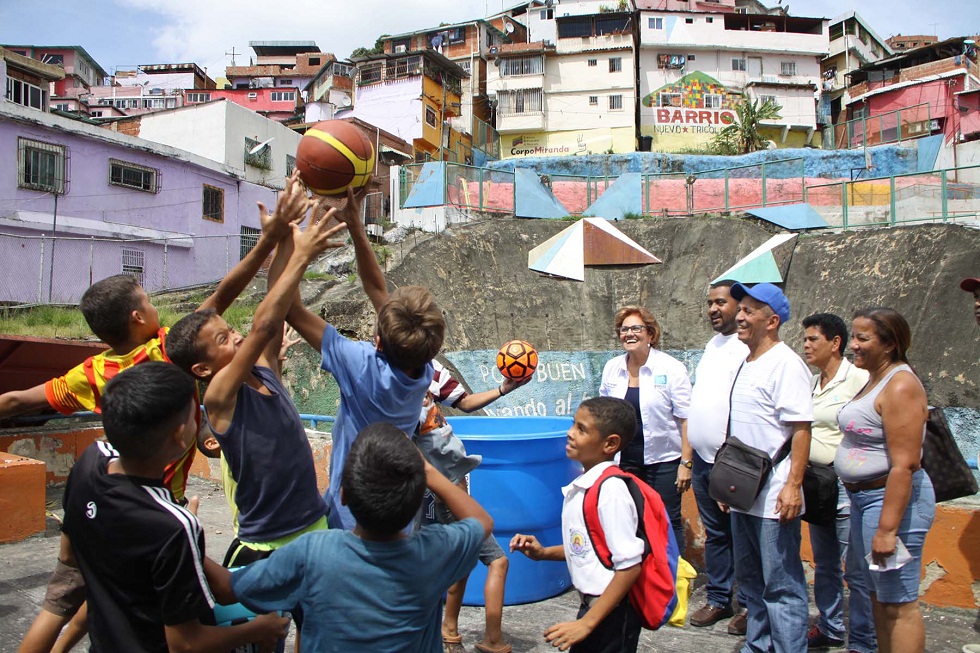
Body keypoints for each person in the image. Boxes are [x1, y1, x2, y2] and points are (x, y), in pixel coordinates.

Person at [15, 171, 312, 653]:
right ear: (184, 433)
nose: (157, 306)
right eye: (150, 301)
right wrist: (277, 243)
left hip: (107, 514)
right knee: (134, 605)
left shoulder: (90, 380)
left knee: (73, 599)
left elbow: (20, 401)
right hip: (155, 510)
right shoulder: (163, 356)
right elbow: (228, 308)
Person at [166, 200, 346, 570]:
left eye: (231, 330)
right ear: (201, 369)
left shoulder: (266, 371)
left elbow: (273, 314)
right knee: (268, 628)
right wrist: (303, 255)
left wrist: (284, 237)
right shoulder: (219, 396)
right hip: (265, 544)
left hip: (314, 523)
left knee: (313, 622)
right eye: (222, 339)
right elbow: (264, 324)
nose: (234, 336)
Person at [59, 362, 290, 651]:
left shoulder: (90, 463)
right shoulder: (174, 526)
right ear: (182, 435)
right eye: (194, 415)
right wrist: (259, 628)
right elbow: (185, 644)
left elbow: (70, 556)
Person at [205, 422, 492, 652]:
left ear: (342, 495)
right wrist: (428, 470)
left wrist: (187, 537)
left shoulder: (313, 553)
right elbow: (481, 521)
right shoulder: (434, 552)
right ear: (417, 501)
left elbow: (227, 588)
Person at [281, 188, 446, 531]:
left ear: (377, 341)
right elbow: (376, 289)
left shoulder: (361, 366)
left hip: (352, 510)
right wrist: (357, 227)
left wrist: (291, 242)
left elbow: (293, 310)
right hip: (400, 509)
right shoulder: (422, 368)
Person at [510, 396, 649, 653]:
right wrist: (543, 553)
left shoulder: (610, 492)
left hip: (612, 613)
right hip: (595, 608)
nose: (570, 433)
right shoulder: (586, 485)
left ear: (610, 444)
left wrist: (587, 624)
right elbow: (592, 548)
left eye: (581, 429)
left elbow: (629, 566)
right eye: (574, 424)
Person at [835, 308, 935, 653]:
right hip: (866, 501)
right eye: (854, 337)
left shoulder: (901, 385)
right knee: (879, 595)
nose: (853, 346)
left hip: (890, 504)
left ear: (890, 344)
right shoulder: (875, 378)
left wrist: (887, 530)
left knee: (898, 603)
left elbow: (904, 465)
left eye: (863, 338)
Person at [726, 282, 813, 653]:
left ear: (772, 320)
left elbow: (802, 430)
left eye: (748, 311)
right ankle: (758, 646)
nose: (739, 316)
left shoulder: (787, 364)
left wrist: (793, 486)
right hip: (742, 491)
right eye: (740, 308)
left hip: (774, 496)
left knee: (781, 584)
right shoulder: (746, 361)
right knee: (750, 582)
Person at [801, 313, 875, 653]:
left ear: (836, 343)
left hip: (847, 485)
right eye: (805, 338)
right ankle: (830, 627)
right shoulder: (811, 382)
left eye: (813, 339)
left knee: (857, 569)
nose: (806, 344)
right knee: (825, 563)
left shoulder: (859, 379)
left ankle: (863, 640)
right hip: (817, 485)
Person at [598, 305, 692, 552]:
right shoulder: (612, 368)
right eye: (624, 329)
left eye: (636, 328)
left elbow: (686, 419)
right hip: (623, 461)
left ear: (651, 334)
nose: (629, 334)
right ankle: (639, 579)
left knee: (668, 520)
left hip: (664, 462)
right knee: (629, 521)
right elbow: (604, 415)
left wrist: (686, 463)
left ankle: (674, 579)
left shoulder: (671, 368)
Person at [686, 281, 751, 634]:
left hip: (731, 463)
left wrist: (732, 460)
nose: (712, 309)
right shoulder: (714, 345)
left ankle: (749, 606)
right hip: (704, 461)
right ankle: (718, 599)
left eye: (720, 302)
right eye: (709, 302)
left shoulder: (745, 348)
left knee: (742, 536)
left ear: (741, 307)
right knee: (716, 535)